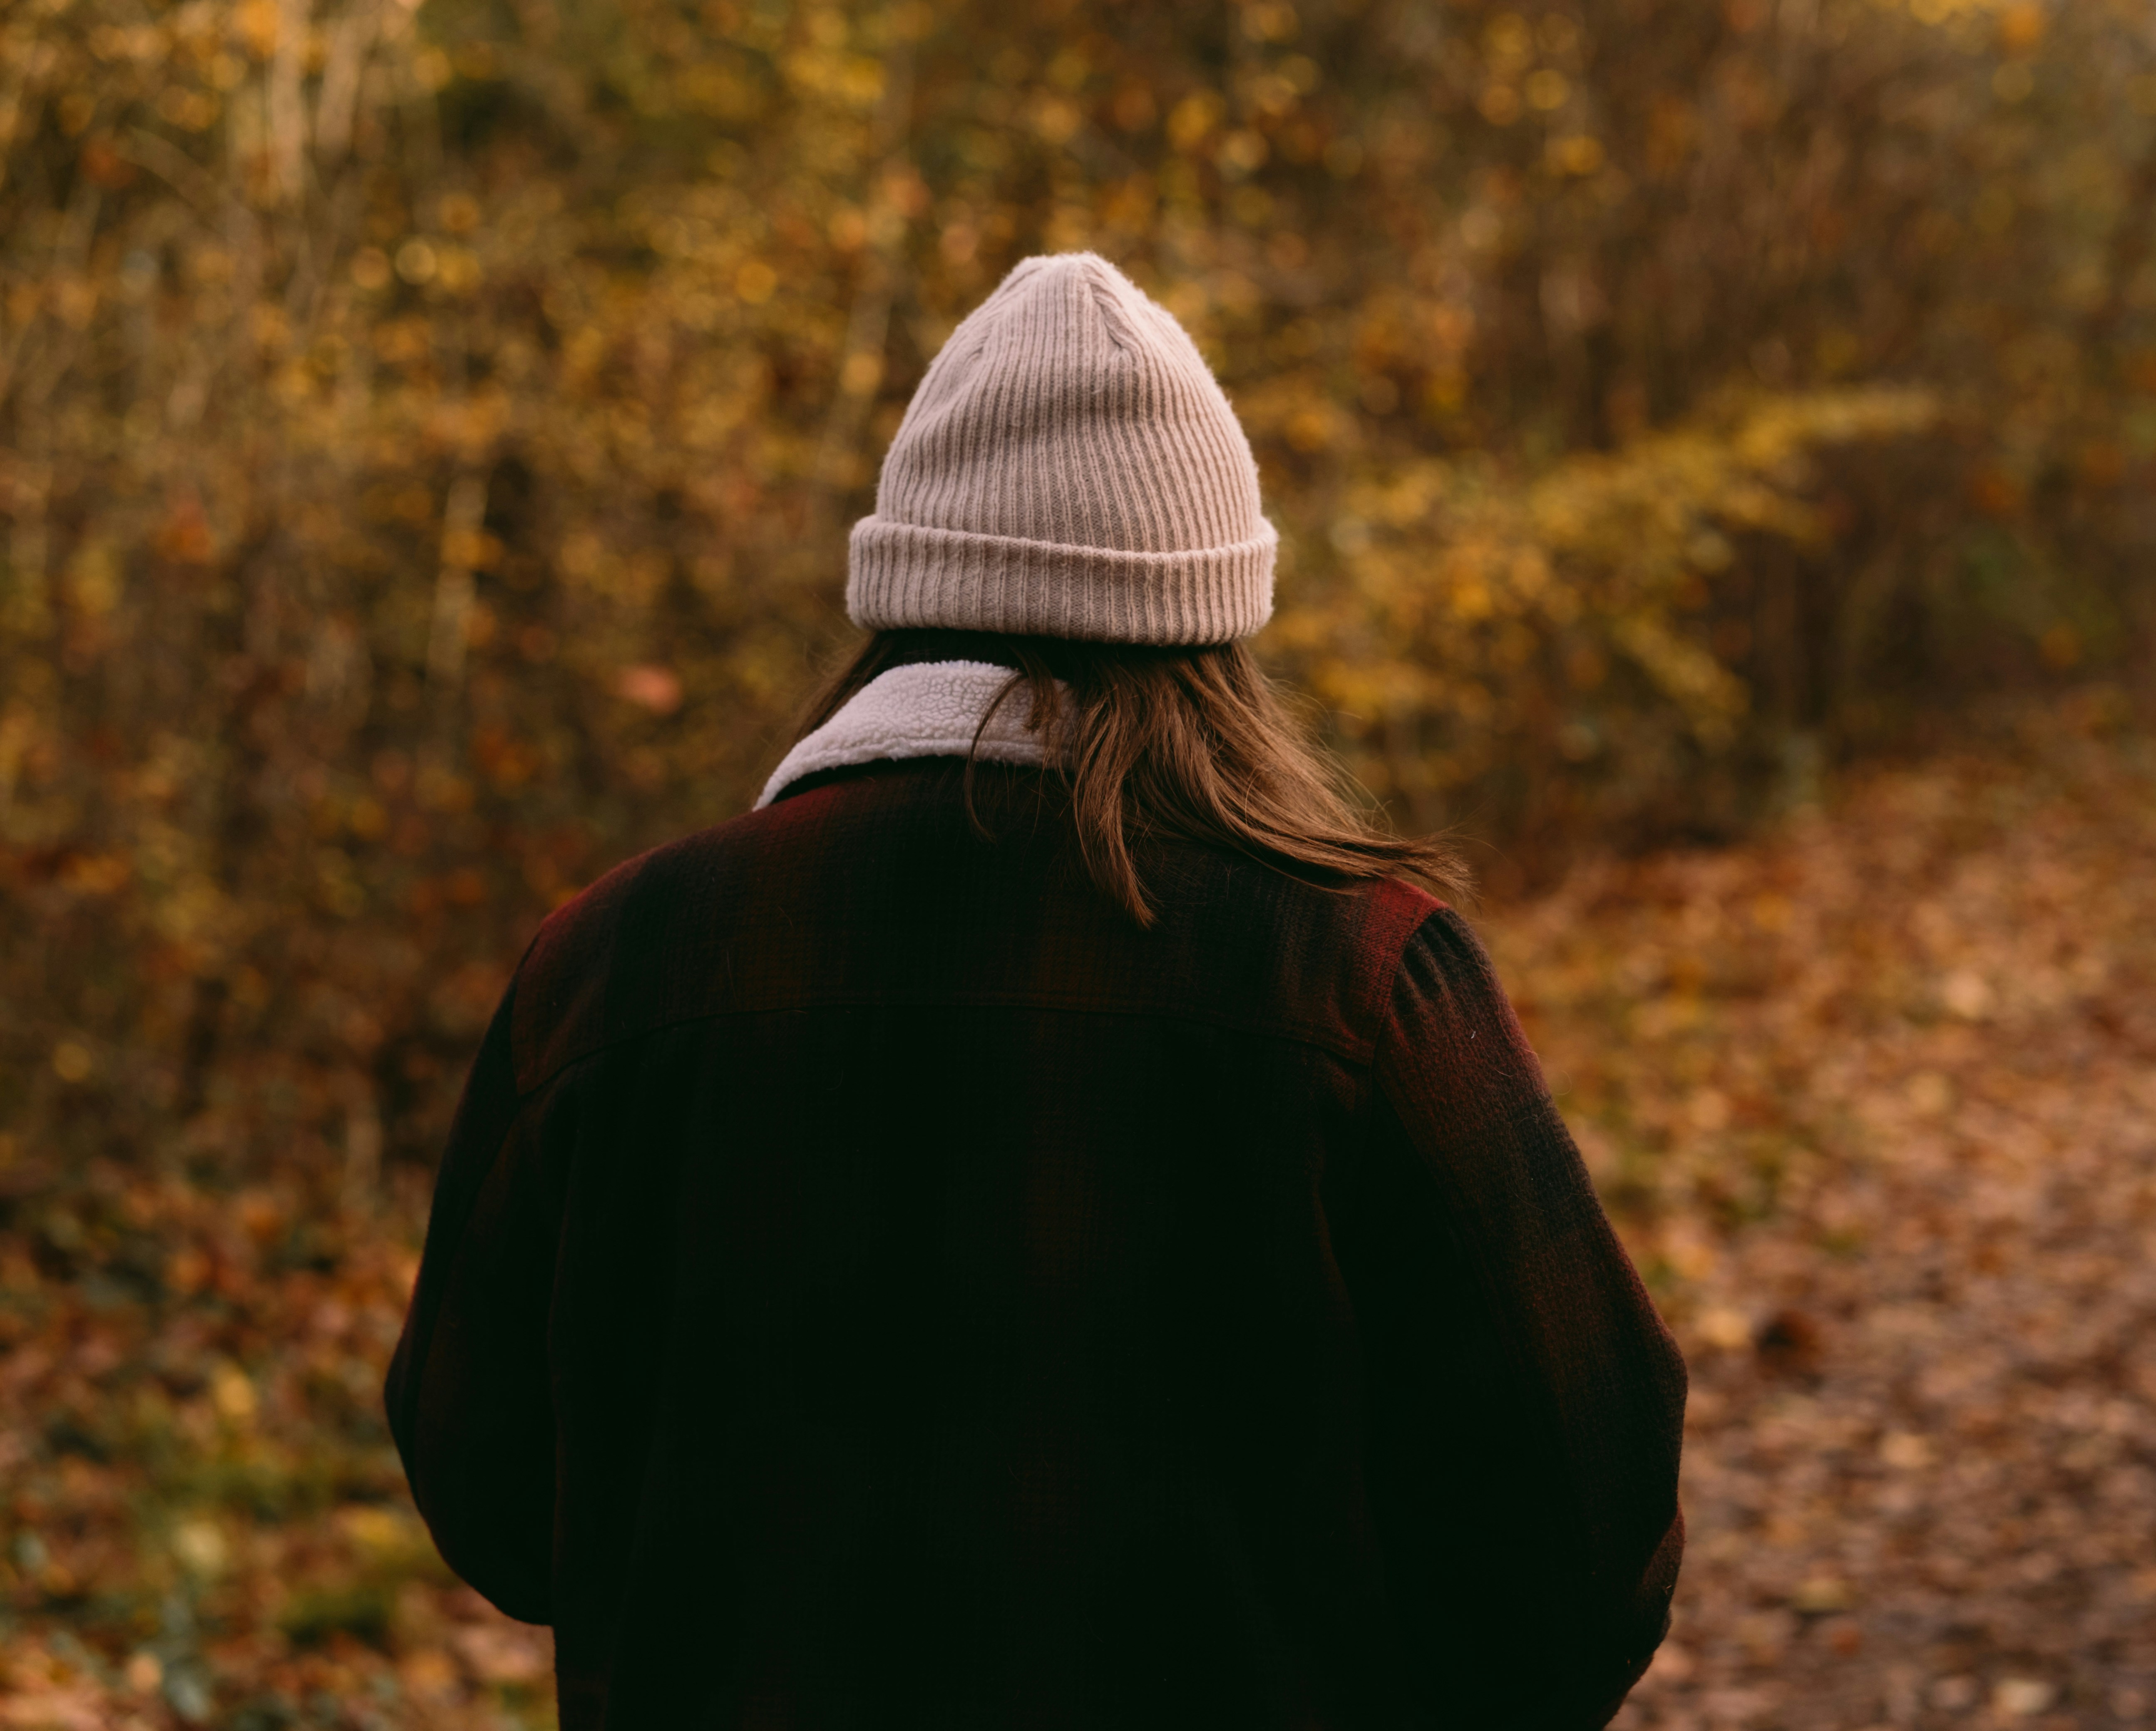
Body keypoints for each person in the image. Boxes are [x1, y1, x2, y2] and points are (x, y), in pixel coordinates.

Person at [385, 253, 1685, 1729]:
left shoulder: (608, 974)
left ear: (903, 593)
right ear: (1216, 628)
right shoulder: (1359, 980)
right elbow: (1587, 1529)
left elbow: (486, 1485)